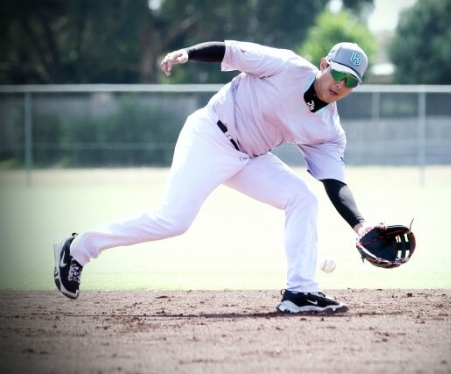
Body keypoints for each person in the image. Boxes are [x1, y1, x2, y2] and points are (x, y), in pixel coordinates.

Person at [54, 40, 374, 313]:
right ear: (324, 64)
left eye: (352, 83)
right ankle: (78, 248)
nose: (341, 85)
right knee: (172, 220)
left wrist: (361, 224)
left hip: (249, 157)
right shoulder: (287, 67)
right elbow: (232, 51)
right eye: (340, 74)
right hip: (211, 134)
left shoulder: (328, 131)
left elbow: (335, 182)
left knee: (302, 197)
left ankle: (300, 292)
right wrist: (188, 54)